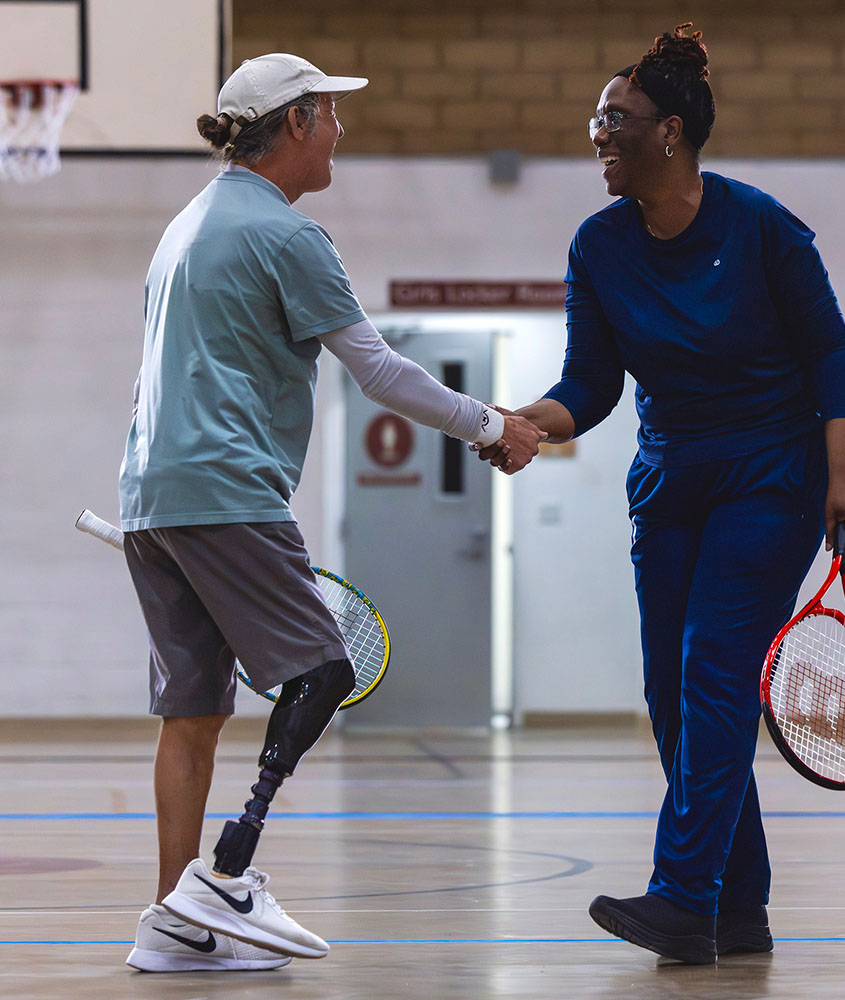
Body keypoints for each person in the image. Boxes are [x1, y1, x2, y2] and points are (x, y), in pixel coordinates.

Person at [120, 52, 545, 974]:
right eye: (332, 114)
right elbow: (380, 371)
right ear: (299, 122)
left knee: (191, 713)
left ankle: (172, 922)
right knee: (322, 671)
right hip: (231, 492)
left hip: (152, 497)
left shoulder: (183, 226)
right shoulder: (286, 236)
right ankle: (229, 871)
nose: (342, 132)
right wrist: (492, 424)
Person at [477, 25, 845, 964]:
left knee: (714, 669)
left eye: (617, 120)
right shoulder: (599, 245)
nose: (599, 137)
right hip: (672, 476)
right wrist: (525, 421)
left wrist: (844, 472)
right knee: (674, 694)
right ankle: (739, 910)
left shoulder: (762, 224)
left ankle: (682, 896)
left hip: (774, 473)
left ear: (672, 133)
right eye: (596, 121)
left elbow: (831, 352)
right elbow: (593, 383)